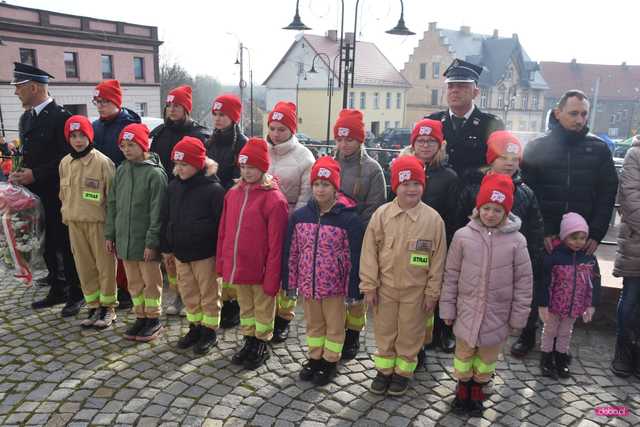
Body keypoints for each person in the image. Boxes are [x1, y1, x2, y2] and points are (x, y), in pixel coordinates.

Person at [440, 174, 532, 417]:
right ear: (478, 208)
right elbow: (451, 274)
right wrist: (447, 309)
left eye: (497, 210)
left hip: (497, 315)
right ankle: (462, 388)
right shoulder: (462, 236)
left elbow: (524, 283)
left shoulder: (517, 241)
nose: (491, 214)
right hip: (466, 312)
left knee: (487, 358)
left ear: (506, 212)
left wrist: (518, 318)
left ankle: (478, 390)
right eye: (487, 208)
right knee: (463, 355)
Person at [360, 156, 446, 396]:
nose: (411, 189)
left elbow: (438, 261)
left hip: (416, 292)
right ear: (395, 186)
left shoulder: (433, 220)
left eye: (416, 184)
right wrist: (369, 285)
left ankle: (403, 373)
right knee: (385, 331)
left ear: (423, 186)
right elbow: (369, 253)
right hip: (384, 289)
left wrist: (432, 293)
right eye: (405, 183)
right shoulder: (382, 215)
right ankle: (384, 370)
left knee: (410, 334)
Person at [454, 131, 545, 359]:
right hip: (473, 271)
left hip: (505, 271)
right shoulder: (473, 188)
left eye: (515, 159)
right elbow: (457, 224)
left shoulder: (525, 193)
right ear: (491, 158)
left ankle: (486, 368)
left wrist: (530, 262)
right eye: (504, 157)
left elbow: (534, 231)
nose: (510, 163)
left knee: (494, 330)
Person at [9, 62, 84, 317]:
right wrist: (18, 172)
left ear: (33, 87)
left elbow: (67, 157)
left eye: (19, 87)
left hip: (57, 193)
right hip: (34, 195)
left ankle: (77, 293)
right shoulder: (26, 117)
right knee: (47, 244)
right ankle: (58, 287)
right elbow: (26, 153)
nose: (16, 92)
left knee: (65, 243)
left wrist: (36, 174)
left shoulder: (61, 117)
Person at [282, 156, 364, 385]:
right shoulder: (300, 217)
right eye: (317, 184)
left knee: (335, 327)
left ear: (335, 187)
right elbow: (293, 252)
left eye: (326, 184)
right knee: (313, 324)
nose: (320, 189)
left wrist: (352, 288)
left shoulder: (349, 220)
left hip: (335, 288)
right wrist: (290, 283)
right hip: (309, 286)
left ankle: (330, 361)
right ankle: (315, 357)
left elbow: (353, 257)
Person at [216, 137, 289, 369]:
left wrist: (273, 275)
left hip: (261, 269)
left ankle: (261, 342)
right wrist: (223, 262)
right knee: (245, 306)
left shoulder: (274, 200)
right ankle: (249, 338)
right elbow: (224, 231)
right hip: (240, 266)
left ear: (263, 168)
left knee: (263, 307)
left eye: (252, 168)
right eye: (244, 167)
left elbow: (277, 244)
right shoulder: (233, 194)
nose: (247, 172)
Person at [522, 89, 618, 258]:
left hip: (582, 238)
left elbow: (607, 194)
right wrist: (542, 229)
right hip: (545, 238)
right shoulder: (537, 147)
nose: (579, 120)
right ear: (558, 113)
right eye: (574, 114)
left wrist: (596, 233)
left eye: (584, 114)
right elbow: (528, 193)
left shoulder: (599, 149)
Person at [397, 118, 459, 358]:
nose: (425, 145)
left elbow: (453, 215)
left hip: (430, 247)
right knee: (408, 293)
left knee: (429, 292)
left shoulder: (449, 177)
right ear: (413, 144)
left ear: (439, 144)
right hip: (403, 245)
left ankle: (431, 337)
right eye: (420, 141)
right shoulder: (400, 169)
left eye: (430, 141)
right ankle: (405, 340)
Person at [160, 136, 225, 355]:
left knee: (209, 293)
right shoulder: (173, 187)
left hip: (205, 254)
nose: (180, 168)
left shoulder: (214, 190)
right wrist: (166, 246)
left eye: (184, 164)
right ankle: (195, 326)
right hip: (181, 252)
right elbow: (166, 217)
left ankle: (209, 330)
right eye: (177, 164)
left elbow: (220, 225)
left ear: (198, 163)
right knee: (188, 292)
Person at [151, 85, 210, 316]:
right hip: (167, 198)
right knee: (170, 255)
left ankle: (195, 298)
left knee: (192, 256)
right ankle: (177, 294)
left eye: (177, 106)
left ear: (186, 108)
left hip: (192, 198)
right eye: (169, 106)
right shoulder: (159, 133)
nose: (171, 110)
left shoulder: (199, 135)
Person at [105, 124, 167, 342]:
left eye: (131, 145)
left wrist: (152, 242)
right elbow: (112, 204)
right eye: (123, 146)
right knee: (133, 282)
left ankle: (153, 318)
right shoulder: (121, 170)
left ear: (143, 145)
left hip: (145, 243)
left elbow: (157, 211)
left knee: (151, 281)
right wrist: (110, 234)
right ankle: (140, 316)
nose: (126, 149)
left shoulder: (155, 174)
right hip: (125, 240)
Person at [334, 108, 387, 360]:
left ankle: (353, 333)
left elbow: (374, 210)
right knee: (334, 289)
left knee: (355, 291)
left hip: (359, 240)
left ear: (360, 139)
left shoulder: (373, 169)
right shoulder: (329, 164)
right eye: (340, 139)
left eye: (350, 139)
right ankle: (334, 331)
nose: (344, 144)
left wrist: (357, 235)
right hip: (331, 241)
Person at [59, 116, 117, 328]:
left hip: (98, 224)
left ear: (89, 136)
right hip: (75, 223)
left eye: (82, 135)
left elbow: (112, 199)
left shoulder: (103, 163)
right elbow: (63, 194)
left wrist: (112, 230)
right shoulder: (65, 163)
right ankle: (93, 305)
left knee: (105, 267)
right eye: (73, 136)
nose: (78, 140)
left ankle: (108, 307)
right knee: (84, 267)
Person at [266, 101, 315, 343]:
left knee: (287, 270)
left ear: (291, 130)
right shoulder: (261, 150)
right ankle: (265, 312)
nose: (275, 134)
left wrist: (297, 225)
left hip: (290, 220)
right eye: (272, 128)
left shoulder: (304, 157)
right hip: (263, 222)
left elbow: (307, 196)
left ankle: (284, 317)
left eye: (281, 129)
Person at [92, 79, 141, 310]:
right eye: (97, 101)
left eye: (105, 101)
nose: (100, 105)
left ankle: (126, 289)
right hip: (98, 191)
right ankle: (108, 284)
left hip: (124, 189)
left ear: (116, 102)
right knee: (105, 239)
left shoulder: (128, 124)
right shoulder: (95, 126)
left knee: (123, 241)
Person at [538, 213, 601, 379]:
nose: (578, 242)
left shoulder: (589, 258)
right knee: (550, 331)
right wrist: (543, 304)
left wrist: (591, 304)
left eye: (582, 238)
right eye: (574, 237)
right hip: (554, 305)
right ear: (564, 236)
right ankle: (546, 358)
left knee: (566, 332)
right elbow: (544, 282)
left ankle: (561, 359)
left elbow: (594, 283)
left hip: (575, 305)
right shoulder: (554, 257)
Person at [207, 93, 248, 329]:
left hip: (232, 205)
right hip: (211, 205)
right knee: (216, 256)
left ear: (233, 117)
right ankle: (220, 300)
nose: (218, 119)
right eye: (216, 114)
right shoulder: (210, 142)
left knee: (231, 255)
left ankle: (234, 304)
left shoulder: (241, 143)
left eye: (223, 115)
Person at [426, 59, 504, 179]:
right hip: (440, 193)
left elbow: (500, 164)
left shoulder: (491, 124)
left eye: (462, 86)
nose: (454, 90)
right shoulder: (432, 122)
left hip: (474, 191)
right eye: (450, 86)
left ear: (475, 92)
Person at [611, 135, 640, 378]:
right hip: (637, 239)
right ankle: (623, 347)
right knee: (630, 297)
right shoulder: (635, 154)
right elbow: (630, 198)